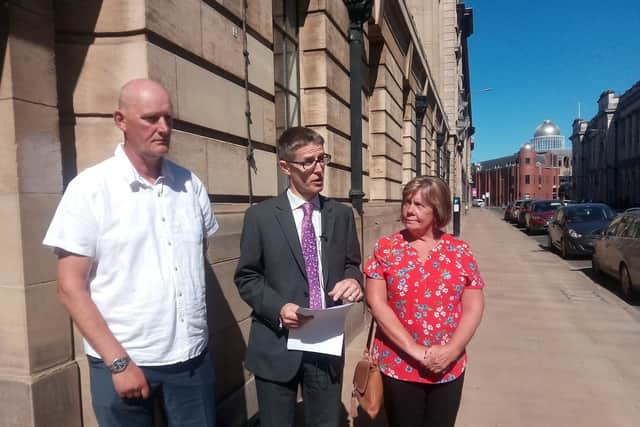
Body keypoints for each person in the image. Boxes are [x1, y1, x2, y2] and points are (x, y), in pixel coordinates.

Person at [43, 79, 218, 426]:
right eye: (151, 118)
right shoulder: (90, 189)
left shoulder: (190, 185)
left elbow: (197, 256)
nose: (164, 128)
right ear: (120, 120)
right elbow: (69, 287)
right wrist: (119, 362)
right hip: (122, 361)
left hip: (190, 361)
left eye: (169, 118)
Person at [234, 126, 363, 427]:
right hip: (277, 341)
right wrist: (279, 308)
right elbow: (247, 277)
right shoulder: (261, 216)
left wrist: (354, 280)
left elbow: (352, 264)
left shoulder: (340, 215)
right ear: (285, 167)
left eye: (322, 159)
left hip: (324, 341)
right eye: (308, 162)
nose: (319, 169)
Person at [364, 176, 485, 427]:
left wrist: (452, 350)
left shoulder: (460, 251)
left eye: (419, 205)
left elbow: (474, 306)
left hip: (448, 366)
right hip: (400, 363)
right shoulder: (386, 248)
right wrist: (414, 349)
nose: (409, 210)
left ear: (437, 210)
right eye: (407, 202)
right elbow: (376, 303)